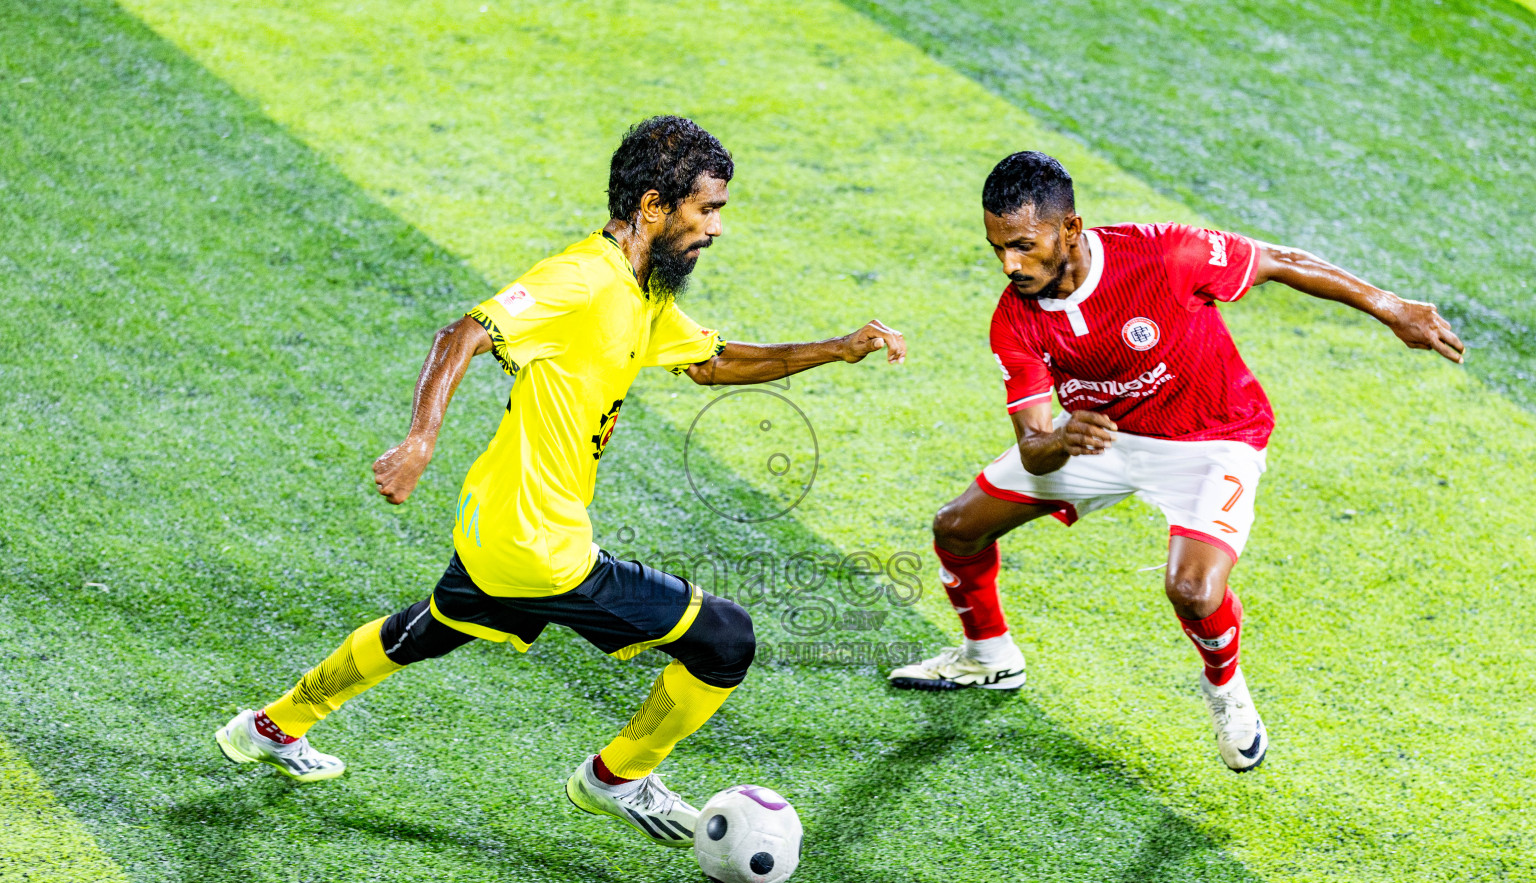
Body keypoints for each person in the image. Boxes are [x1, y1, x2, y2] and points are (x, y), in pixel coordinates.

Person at [216, 116, 907, 845]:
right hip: (542, 549)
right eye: (707, 210)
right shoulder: (582, 278)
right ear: (652, 207)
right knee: (726, 640)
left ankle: (270, 725)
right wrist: (420, 439)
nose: (715, 228)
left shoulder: (645, 292)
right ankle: (616, 778)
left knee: (429, 629)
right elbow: (462, 334)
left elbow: (710, 362)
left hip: (494, 526)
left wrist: (837, 349)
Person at [889, 151, 1462, 772]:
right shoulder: (1014, 318)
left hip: (1213, 436)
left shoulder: (1164, 255)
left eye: (1023, 246)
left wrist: (1391, 306)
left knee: (1192, 589)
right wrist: (1061, 439)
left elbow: (1280, 261)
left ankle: (1226, 690)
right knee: (956, 527)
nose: (1009, 264)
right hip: (1099, 439)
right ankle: (989, 656)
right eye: (997, 247)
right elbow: (1034, 446)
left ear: (1071, 229)